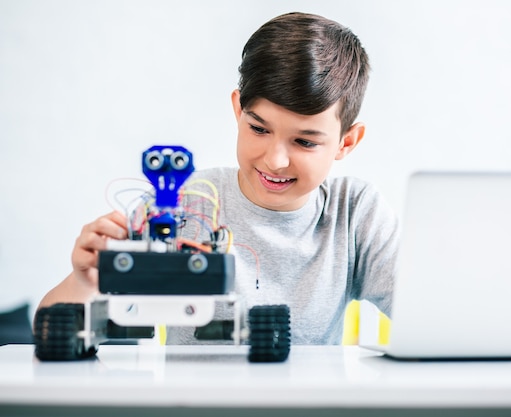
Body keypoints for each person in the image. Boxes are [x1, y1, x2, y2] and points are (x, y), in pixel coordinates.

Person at [37, 12, 399, 345]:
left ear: (346, 141)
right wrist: (85, 281)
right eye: (258, 128)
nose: (274, 160)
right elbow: (48, 330)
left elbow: (431, 321)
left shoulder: (355, 214)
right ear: (238, 110)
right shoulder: (183, 203)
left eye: (304, 141)